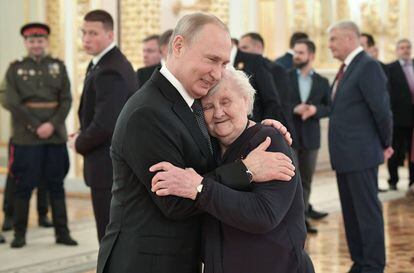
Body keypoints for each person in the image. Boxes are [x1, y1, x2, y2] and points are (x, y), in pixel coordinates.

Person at [96, 13, 295, 273]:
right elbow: (175, 202)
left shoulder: (191, 103)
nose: (217, 73)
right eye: (211, 60)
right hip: (146, 263)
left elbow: (211, 153)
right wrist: (246, 169)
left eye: (224, 63)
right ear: (178, 46)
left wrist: (256, 129)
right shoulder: (147, 112)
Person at [151, 66, 314, 273]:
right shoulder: (207, 147)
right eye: (208, 107)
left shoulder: (269, 141)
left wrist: (201, 188)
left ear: (246, 101)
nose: (218, 113)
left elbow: (264, 214)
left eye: (225, 102)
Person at [2, 22, 77, 248]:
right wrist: (36, 126)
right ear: (26, 43)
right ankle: (19, 234)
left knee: (56, 185)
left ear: (46, 42)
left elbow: (66, 100)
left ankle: (62, 233)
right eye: (32, 41)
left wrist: (52, 125)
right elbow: (11, 101)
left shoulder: (58, 67)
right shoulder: (15, 68)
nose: (36, 44)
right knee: (23, 186)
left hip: (54, 137)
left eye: (40, 40)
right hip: (26, 138)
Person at [328, 21, 393, 273]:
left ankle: (374, 265)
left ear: (349, 39)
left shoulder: (368, 66)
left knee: (367, 214)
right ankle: (360, 261)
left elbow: (382, 111)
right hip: (346, 155)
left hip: (361, 154)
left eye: (334, 39)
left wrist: (386, 143)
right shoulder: (347, 68)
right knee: (352, 214)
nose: (330, 45)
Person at [68, 10, 138, 243]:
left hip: (107, 164)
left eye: (93, 33)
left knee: (109, 233)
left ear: (110, 35)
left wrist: (79, 141)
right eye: (84, 32)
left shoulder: (111, 69)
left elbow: (106, 124)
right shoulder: (101, 63)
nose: (86, 38)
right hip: (105, 161)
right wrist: (82, 132)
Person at [289, 39, 331, 234]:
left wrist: (315, 109)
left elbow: (330, 107)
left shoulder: (322, 82)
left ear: (311, 56)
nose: (296, 56)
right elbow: (278, 103)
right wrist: (294, 109)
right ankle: (289, 221)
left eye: (300, 53)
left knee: (306, 180)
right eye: (295, 52)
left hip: (312, 138)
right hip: (291, 136)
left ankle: (303, 218)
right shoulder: (285, 77)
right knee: (291, 181)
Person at [238, 32, 297, 145]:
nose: (241, 52)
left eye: (245, 47)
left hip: (269, 131)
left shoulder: (276, 69)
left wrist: (264, 132)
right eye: (240, 48)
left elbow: (277, 105)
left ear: (259, 47)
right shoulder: (243, 68)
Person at [231, 37, 281, 122]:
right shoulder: (216, 63)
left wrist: (263, 129)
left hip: (254, 126)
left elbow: (271, 100)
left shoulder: (255, 60)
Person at [386, 39, 414, 191]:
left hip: (413, 118)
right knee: (395, 150)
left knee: (413, 151)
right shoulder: (390, 68)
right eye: (402, 47)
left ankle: (412, 179)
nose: (405, 50)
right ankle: (393, 180)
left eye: (408, 47)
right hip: (397, 118)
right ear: (397, 50)